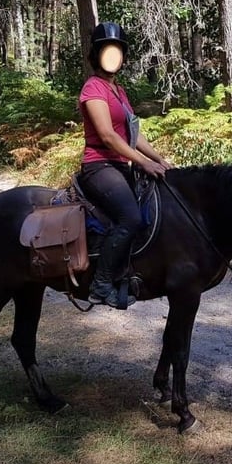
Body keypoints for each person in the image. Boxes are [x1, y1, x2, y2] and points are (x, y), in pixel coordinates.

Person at [78, 21, 173, 309]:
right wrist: (143, 163)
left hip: (121, 166)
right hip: (99, 166)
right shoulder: (93, 88)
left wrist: (158, 159)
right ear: (96, 55)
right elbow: (107, 136)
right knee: (130, 218)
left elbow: (133, 134)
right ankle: (101, 284)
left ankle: (129, 275)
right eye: (108, 49)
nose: (113, 55)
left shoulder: (118, 91)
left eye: (117, 50)